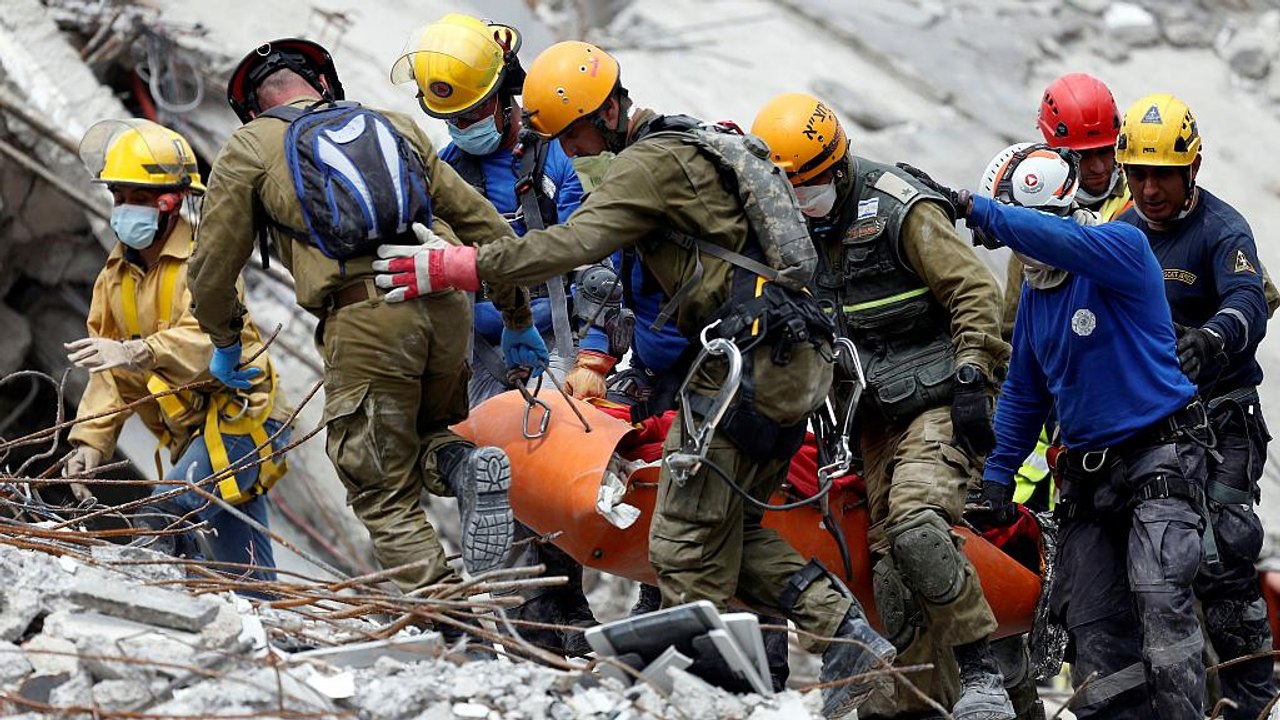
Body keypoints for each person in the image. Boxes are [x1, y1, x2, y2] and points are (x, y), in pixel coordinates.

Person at [373, 40, 896, 718]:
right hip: (784, 358)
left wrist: (462, 268)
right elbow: (646, 283)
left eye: (572, 136)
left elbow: (570, 244)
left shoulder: (646, 166)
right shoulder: (682, 144)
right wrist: (606, 361)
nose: (575, 151)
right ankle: (845, 637)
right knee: (725, 523)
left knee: (681, 541)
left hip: (753, 363)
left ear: (596, 116)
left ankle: (727, 690)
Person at [187, 39, 542, 617]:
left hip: (367, 320)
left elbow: (211, 269)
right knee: (429, 435)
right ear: (325, 86)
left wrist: (225, 340)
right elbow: (484, 226)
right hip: (445, 305)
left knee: (380, 487)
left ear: (254, 109)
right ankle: (463, 466)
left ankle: (456, 626)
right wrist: (516, 315)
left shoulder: (251, 144)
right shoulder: (393, 125)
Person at [909, 143, 1209, 719]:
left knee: (1160, 597)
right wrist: (996, 479)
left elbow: (1064, 242)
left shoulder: (1120, 247)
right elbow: (1024, 392)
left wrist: (974, 208)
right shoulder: (1036, 302)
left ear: (1046, 215)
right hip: (1089, 482)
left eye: (1021, 231)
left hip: (1158, 458)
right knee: (1091, 625)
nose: (1016, 250)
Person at [753, 92, 1016, 720]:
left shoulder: (898, 207)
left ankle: (984, 675)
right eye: (786, 189)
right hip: (868, 418)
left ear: (837, 168)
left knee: (917, 524)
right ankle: (923, 703)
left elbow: (974, 291)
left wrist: (975, 375)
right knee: (891, 576)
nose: (798, 200)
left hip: (940, 399)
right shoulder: (787, 233)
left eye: (807, 186)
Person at [390, 13, 595, 656]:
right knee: (495, 482)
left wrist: (594, 348)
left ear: (506, 95)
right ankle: (521, 622)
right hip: (481, 350)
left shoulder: (555, 155)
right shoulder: (446, 168)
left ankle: (568, 610)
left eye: (474, 111)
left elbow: (596, 252)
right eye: (450, 118)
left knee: (560, 481)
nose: (462, 128)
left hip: (556, 339)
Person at [66, 119, 290, 586]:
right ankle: (267, 626)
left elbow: (210, 339)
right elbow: (112, 374)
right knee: (239, 561)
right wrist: (91, 440)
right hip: (192, 432)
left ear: (170, 202)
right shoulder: (114, 279)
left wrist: (137, 351)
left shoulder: (206, 260)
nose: (125, 210)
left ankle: (152, 590)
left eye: (139, 199)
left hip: (243, 417)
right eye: (120, 198)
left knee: (169, 508)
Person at [1115, 93, 1274, 720]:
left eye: (1163, 174)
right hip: (1150, 425)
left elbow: (1249, 304)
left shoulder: (1223, 230)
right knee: (1155, 566)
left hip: (1223, 418)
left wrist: (1212, 338)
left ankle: (1256, 699)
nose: (1150, 189)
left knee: (1224, 554)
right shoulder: (1122, 233)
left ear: (1192, 170)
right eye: (1138, 173)